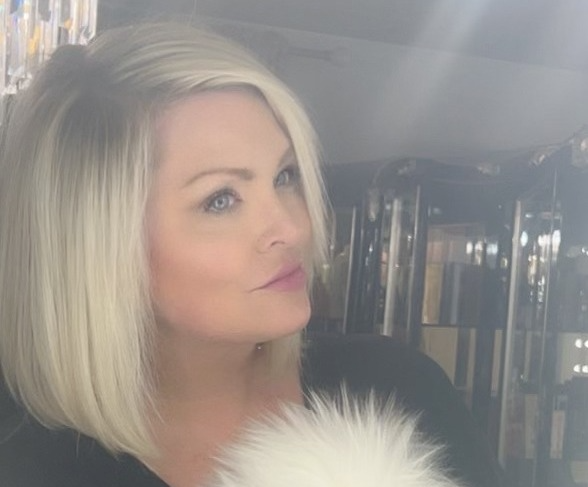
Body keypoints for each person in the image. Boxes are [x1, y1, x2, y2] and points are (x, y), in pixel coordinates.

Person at [0, 22, 503, 487]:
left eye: (285, 176)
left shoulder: (399, 388)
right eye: (221, 199)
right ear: (99, 247)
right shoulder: (31, 464)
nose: (292, 227)